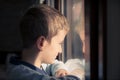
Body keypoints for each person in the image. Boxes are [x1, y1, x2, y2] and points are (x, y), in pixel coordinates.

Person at [6, 4, 81, 80]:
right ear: (41, 43)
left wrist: (60, 69)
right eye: (59, 43)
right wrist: (79, 74)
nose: (60, 50)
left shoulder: (31, 64)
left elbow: (52, 64)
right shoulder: (21, 75)